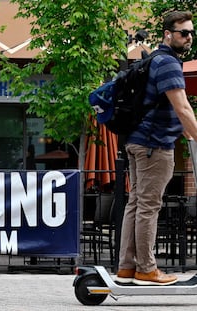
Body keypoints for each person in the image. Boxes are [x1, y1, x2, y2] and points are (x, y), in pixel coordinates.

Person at [116, 11, 197, 286]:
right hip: (154, 146)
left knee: (136, 203)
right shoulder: (169, 64)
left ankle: (127, 267)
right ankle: (147, 269)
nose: (188, 38)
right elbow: (183, 108)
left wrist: (187, 133)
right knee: (148, 206)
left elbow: (171, 110)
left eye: (191, 33)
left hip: (137, 141)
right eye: (183, 33)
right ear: (167, 34)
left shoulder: (153, 60)